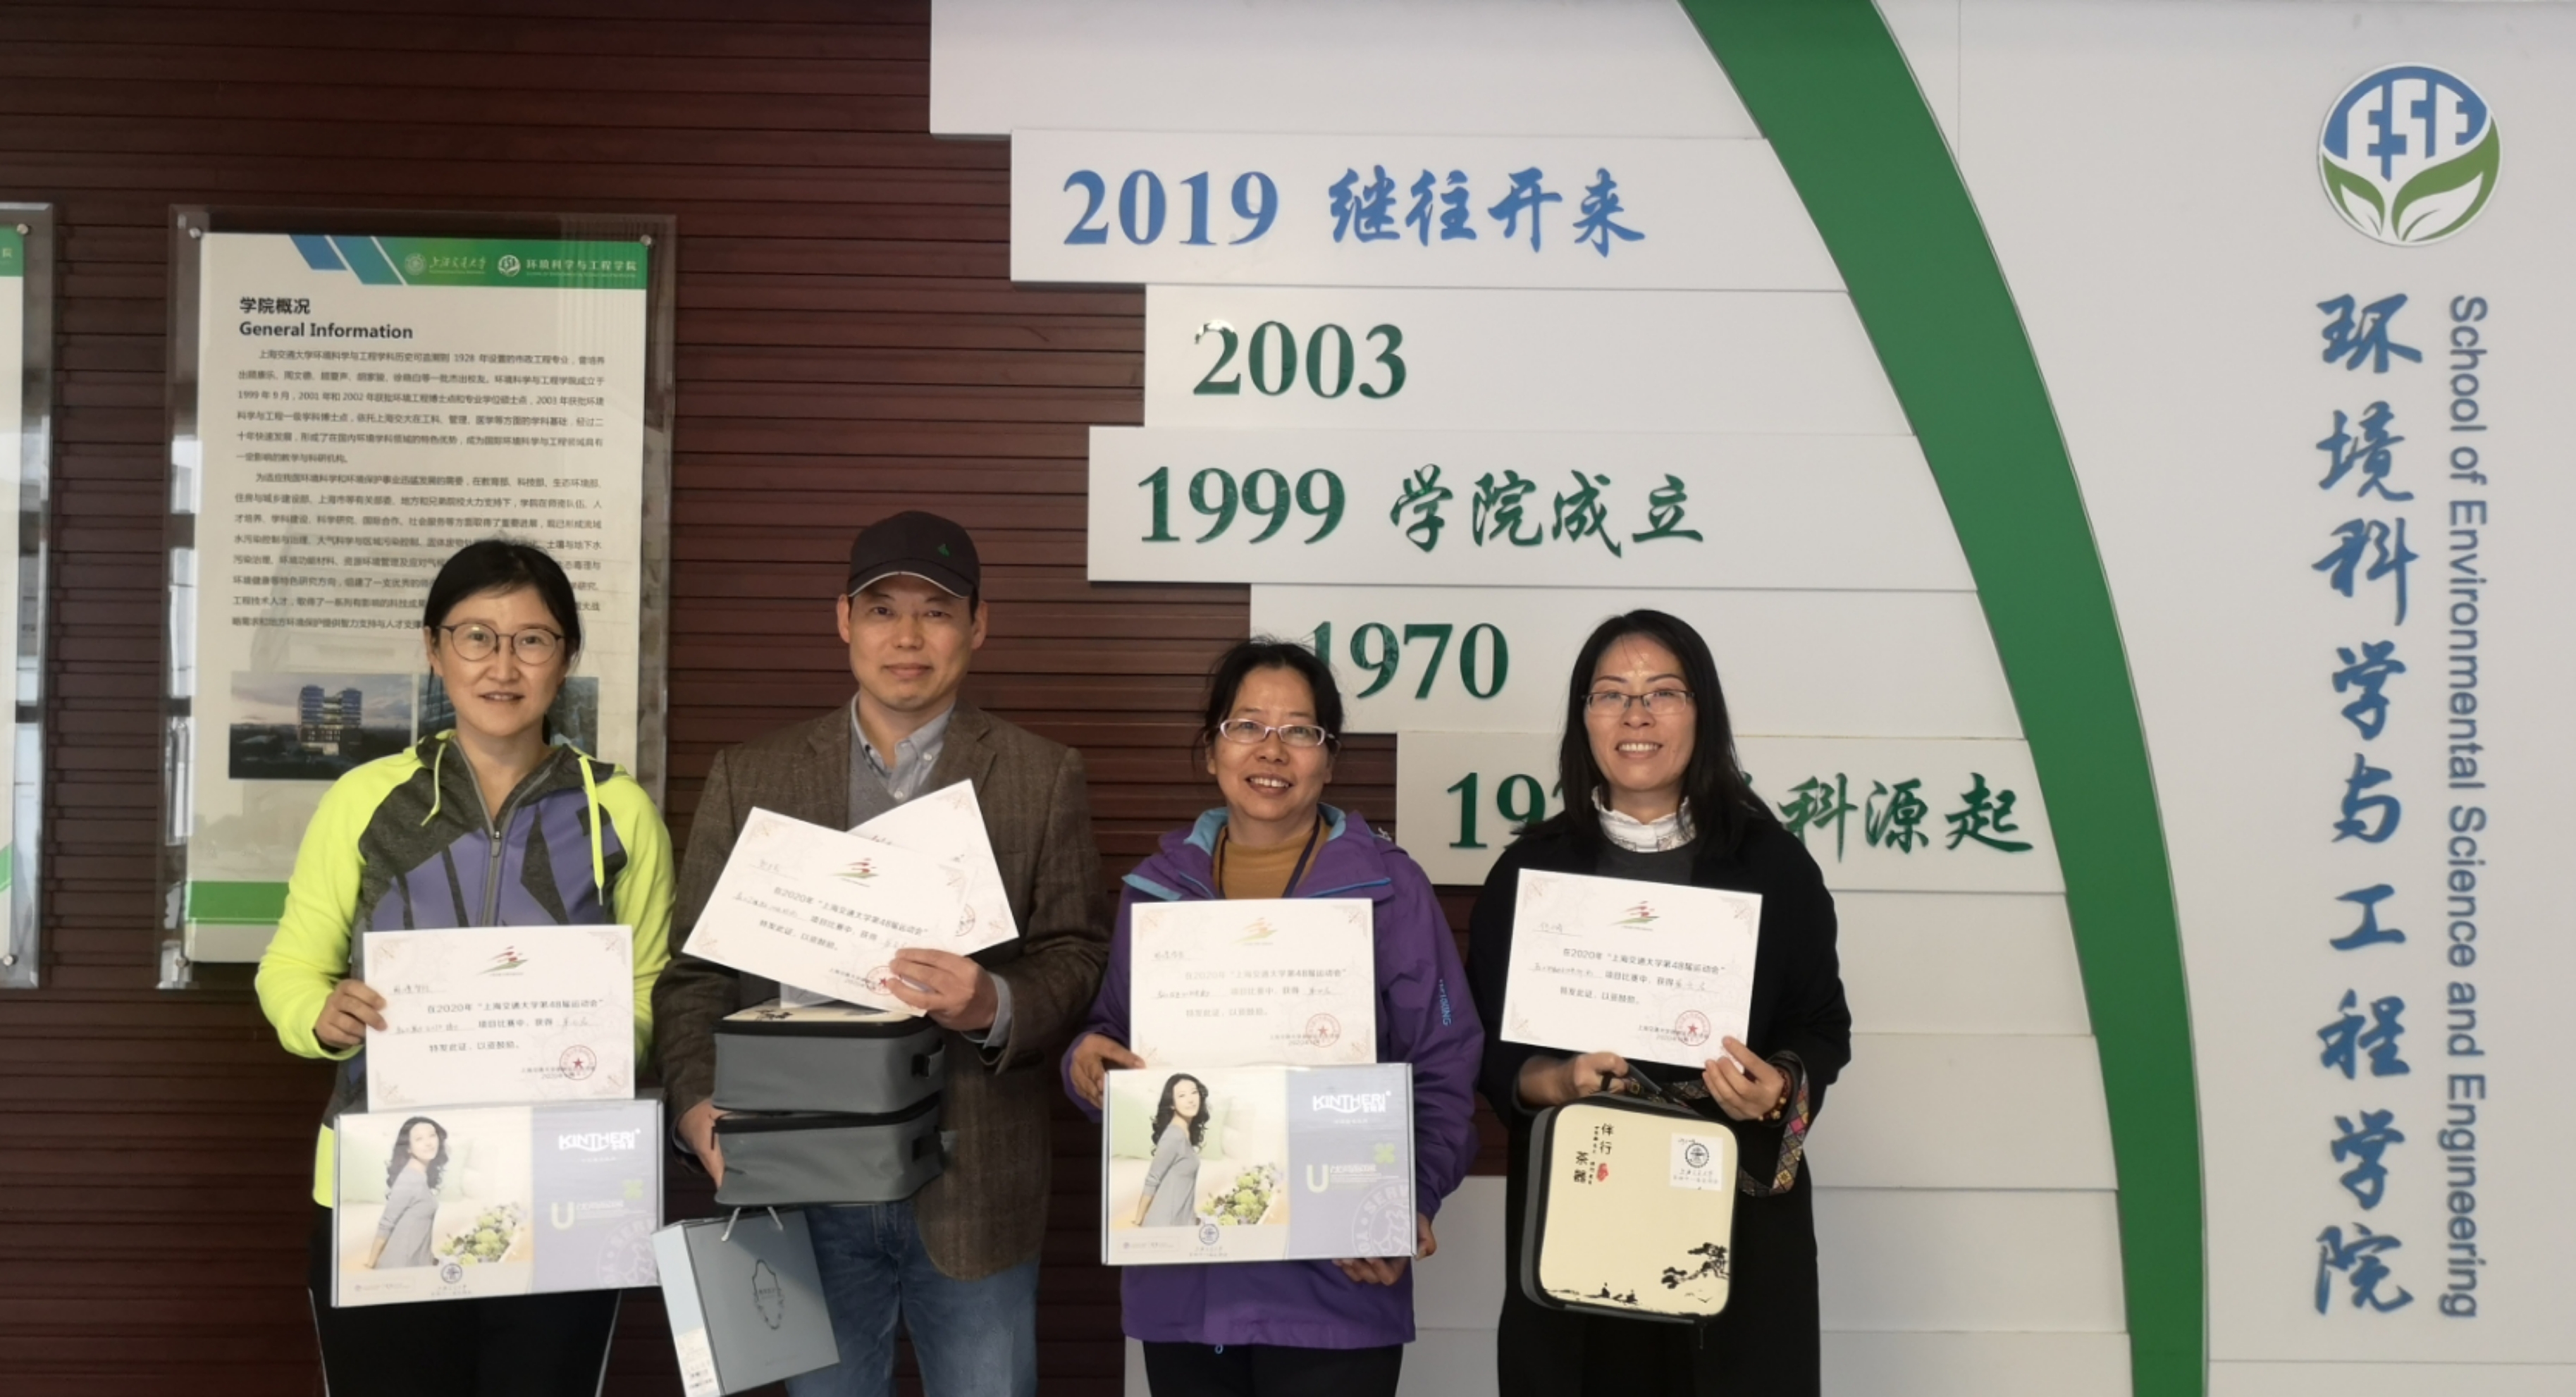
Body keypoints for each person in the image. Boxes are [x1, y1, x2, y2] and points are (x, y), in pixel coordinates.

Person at [652, 510, 1109, 1397]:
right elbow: (695, 973)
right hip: (800, 1178)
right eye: (881, 610)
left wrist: (994, 1002)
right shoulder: (753, 774)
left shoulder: (1041, 772)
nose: (907, 637)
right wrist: (699, 1105)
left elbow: (1077, 951)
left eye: (936, 612)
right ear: (843, 621)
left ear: (977, 625)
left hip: (975, 1187)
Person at [255, 539, 676, 1396]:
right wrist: (319, 1015)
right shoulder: (366, 798)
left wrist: (599, 1043)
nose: (502, 665)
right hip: (382, 1178)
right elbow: (290, 966)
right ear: (434, 648)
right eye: (476, 636)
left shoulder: (618, 809)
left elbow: (651, 987)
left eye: (532, 640)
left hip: (561, 1182)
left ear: (566, 657)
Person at [1064, 638, 1485, 1397]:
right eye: (1247, 725)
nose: (1271, 749)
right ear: (1211, 750)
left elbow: (1444, 1062)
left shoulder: (1390, 888)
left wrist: (1408, 1201)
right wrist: (1086, 1062)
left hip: (1337, 1278)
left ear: (1329, 760)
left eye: (1299, 730)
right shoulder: (1155, 890)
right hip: (1187, 1278)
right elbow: (1112, 1037)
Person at [1465, 610, 1851, 1397]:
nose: (1635, 714)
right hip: (1582, 1210)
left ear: (1702, 713)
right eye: (1610, 694)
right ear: (1583, 719)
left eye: (1663, 693)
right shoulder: (1532, 871)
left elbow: (1821, 1025)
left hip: (1733, 1217)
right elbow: (1489, 1048)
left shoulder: (1773, 864)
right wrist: (1555, 1079)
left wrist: (1778, 1085)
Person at [366, 1116, 449, 1270]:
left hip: (417, 1266)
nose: (429, 1143)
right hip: (400, 1268)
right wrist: (370, 1266)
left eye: (432, 1135)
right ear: (408, 1148)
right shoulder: (409, 1179)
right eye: (419, 1139)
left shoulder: (420, 1176)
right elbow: (386, 1224)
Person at [1135, 1073, 1208, 1228]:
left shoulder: (1184, 1133)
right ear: (1172, 1104)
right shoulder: (1174, 1136)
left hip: (1180, 1224)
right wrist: (1138, 1222)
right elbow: (1152, 1180)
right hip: (1165, 1226)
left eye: (1194, 1092)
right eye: (1182, 1095)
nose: (1190, 1100)